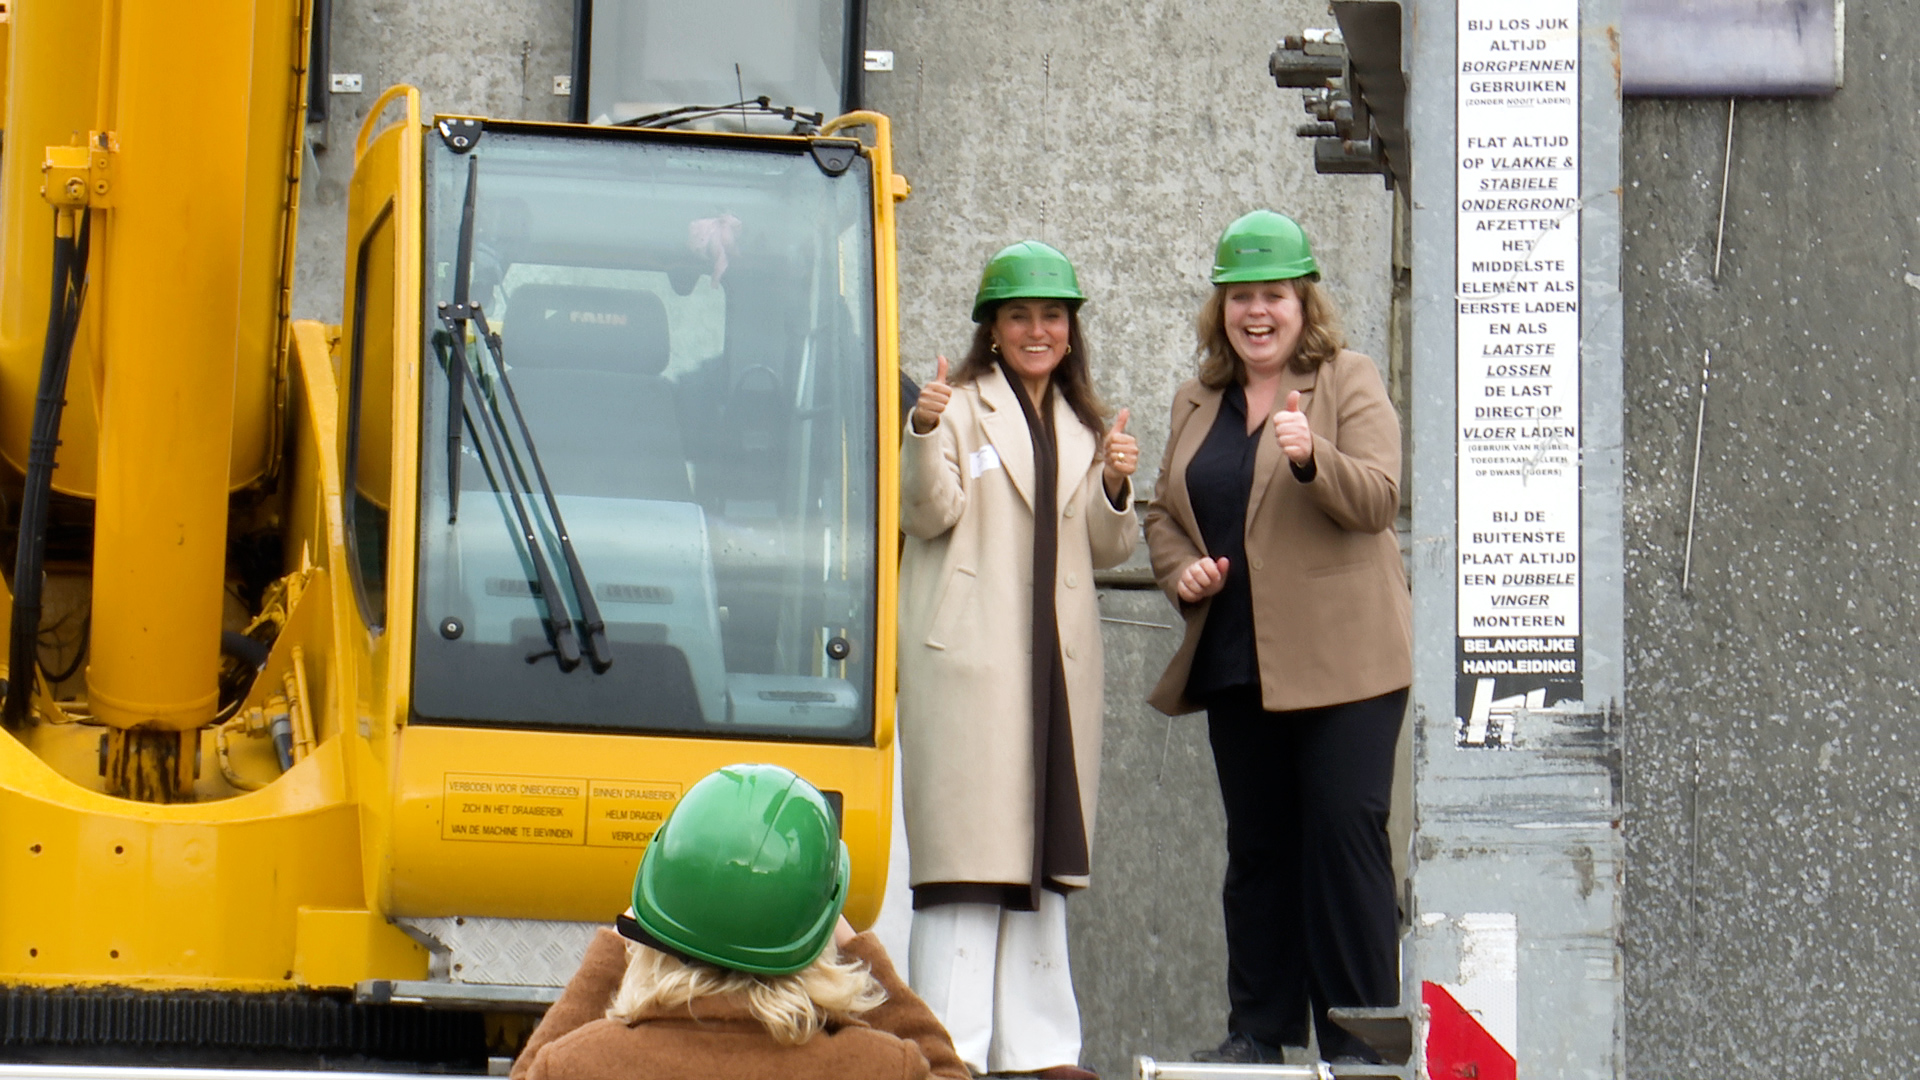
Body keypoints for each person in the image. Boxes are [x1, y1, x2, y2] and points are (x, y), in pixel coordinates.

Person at [1143, 211, 1411, 1065]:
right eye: (1240, 297)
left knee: (1341, 838)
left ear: (1304, 303)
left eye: (1274, 296)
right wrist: (1180, 568)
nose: (1256, 313)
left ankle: (1360, 1042)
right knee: (1257, 850)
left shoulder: (1348, 380)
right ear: (1221, 307)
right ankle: (1258, 1034)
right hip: (1238, 659)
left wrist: (1310, 458)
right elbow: (1162, 513)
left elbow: (1377, 500)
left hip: (1348, 662)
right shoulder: (1197, 400)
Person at [897, 241, 1139, 1079]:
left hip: (1053, 670)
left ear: (1070, 331)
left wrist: (1114, 486)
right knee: (969, 867)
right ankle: (948, 1051)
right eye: (1019, 316)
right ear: (991, 331)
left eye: (1052, 316)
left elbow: (1106, 549)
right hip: (973, 664)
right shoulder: (957, 407)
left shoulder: (1082, 424)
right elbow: (925, 515)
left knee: (1040, 858)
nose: (1038, 330)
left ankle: (1041, 1054)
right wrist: (924, 430)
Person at [510, 763, 968, 1080]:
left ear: (651, 919)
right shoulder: (882, 1066)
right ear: (820, 929)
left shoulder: (579, 1064)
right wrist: (861, 951)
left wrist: (613, 947)